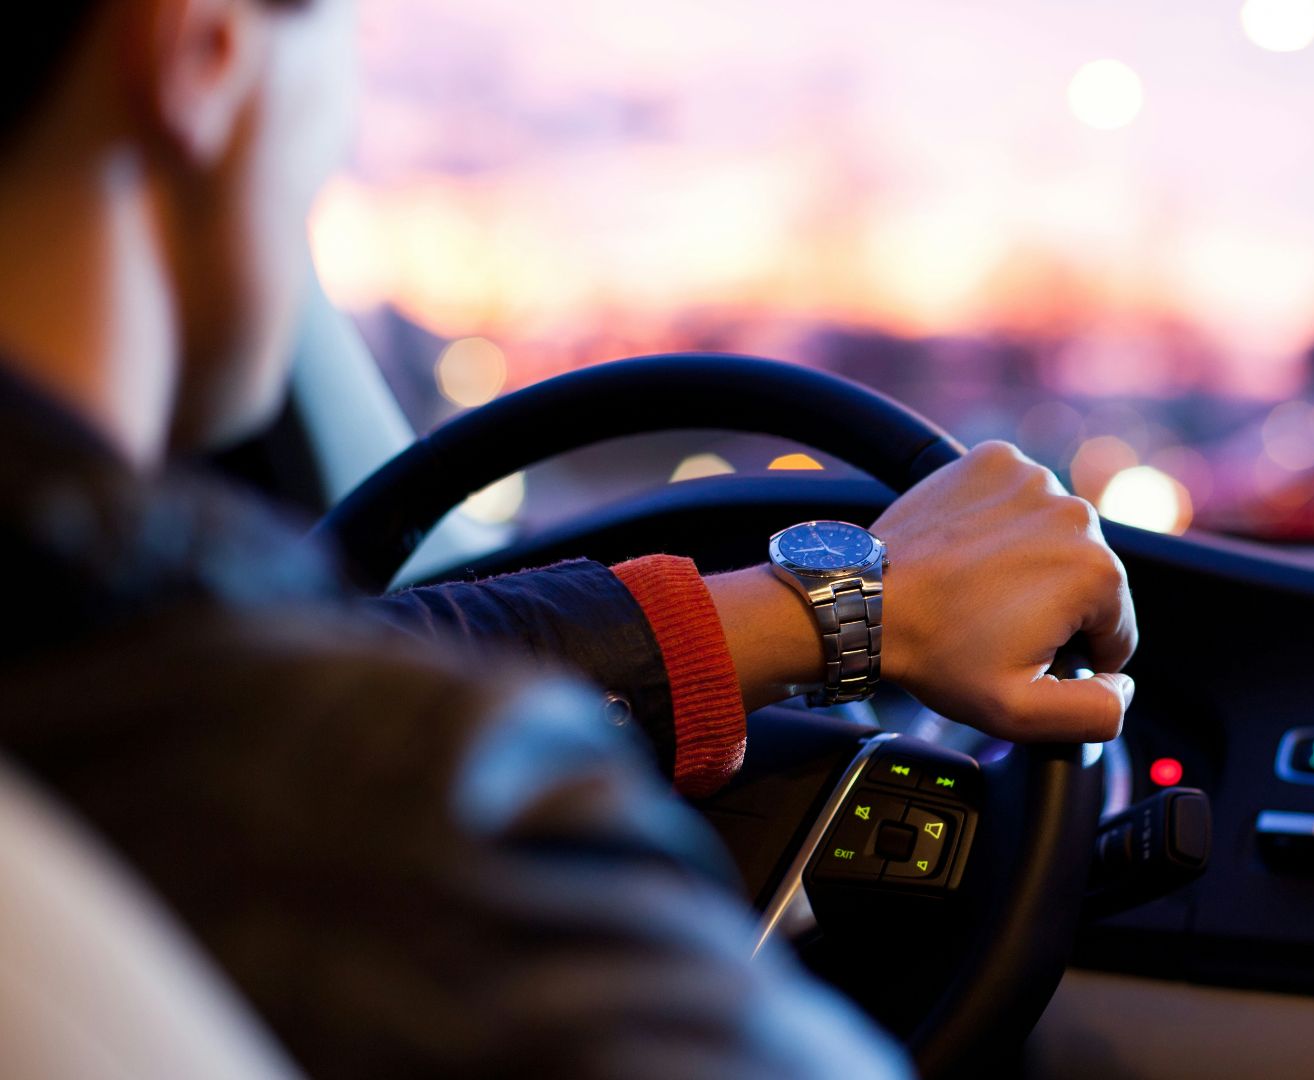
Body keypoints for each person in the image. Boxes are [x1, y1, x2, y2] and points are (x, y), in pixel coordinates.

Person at [0, 0, 1139, 1075]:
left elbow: (308, 653)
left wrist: (833, 611)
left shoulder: (107, 678)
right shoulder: (412, 829)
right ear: (203, 52)